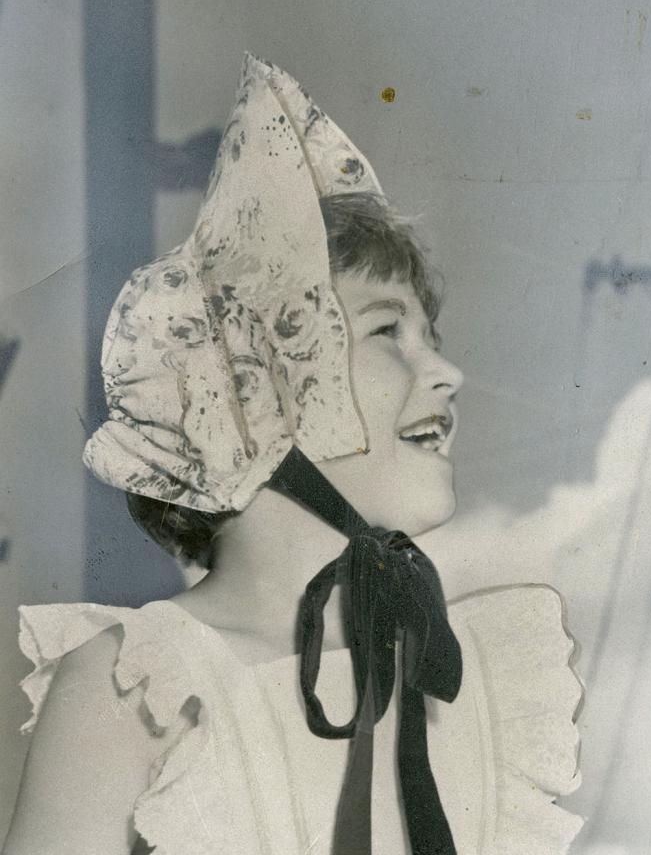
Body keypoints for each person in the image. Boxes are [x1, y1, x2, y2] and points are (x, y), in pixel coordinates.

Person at [3, 55, 583, 854]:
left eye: (432, 338)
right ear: (257, 390)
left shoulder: (462, 681)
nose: (448, 374)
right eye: (387, 333)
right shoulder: (135, 685)